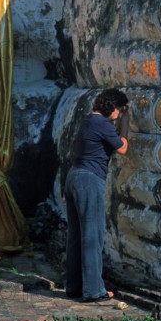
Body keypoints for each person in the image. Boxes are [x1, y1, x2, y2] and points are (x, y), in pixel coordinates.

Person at [65, 88, 129, 302]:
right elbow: (122, 148)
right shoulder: (102, 124)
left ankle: (74, 287)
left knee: (76, 236)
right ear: (112, 108)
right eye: (119, 109)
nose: (119, 113)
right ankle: (93, 291)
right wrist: (126, 125)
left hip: (74, 176)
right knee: (93, 235)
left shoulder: (86, 121)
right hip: (89, 180)